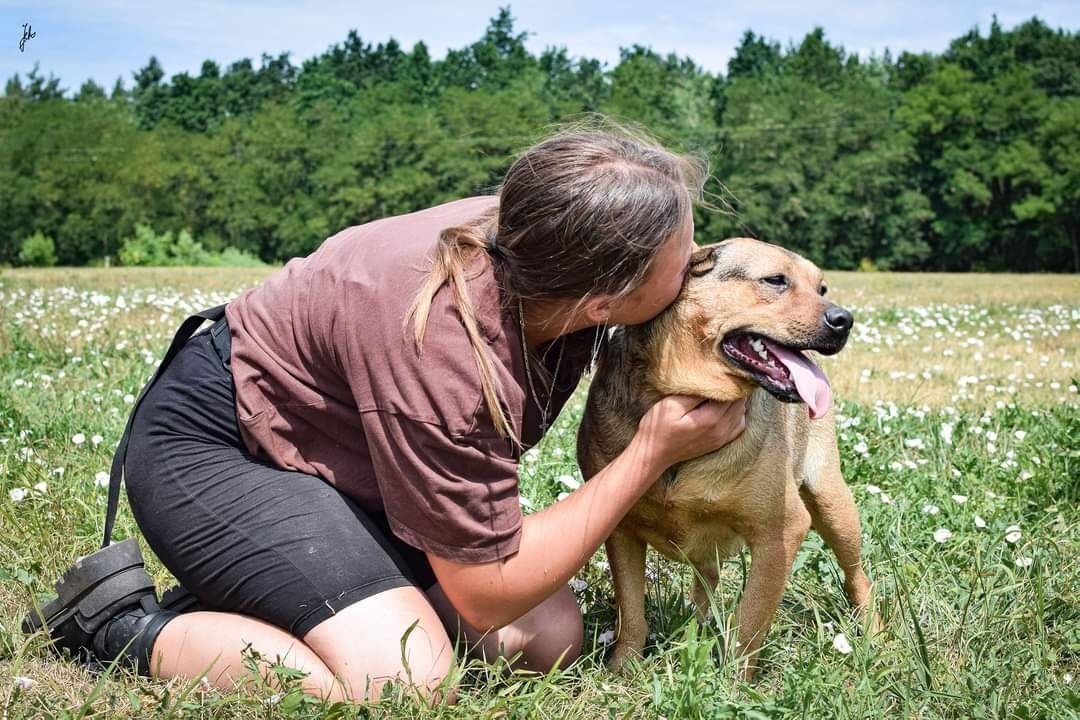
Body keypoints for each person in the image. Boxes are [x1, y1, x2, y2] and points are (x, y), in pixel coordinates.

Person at [25, 120, 747, 704]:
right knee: (403, 679)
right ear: (602, 302)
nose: (696, 264)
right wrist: (648, 452)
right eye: (681, 256)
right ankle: (117, 627)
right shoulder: (450, 346)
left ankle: (298, 598)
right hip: (220, 444)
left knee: (550, 636)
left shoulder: (542, 239)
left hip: (344, 460)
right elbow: (488, 589)